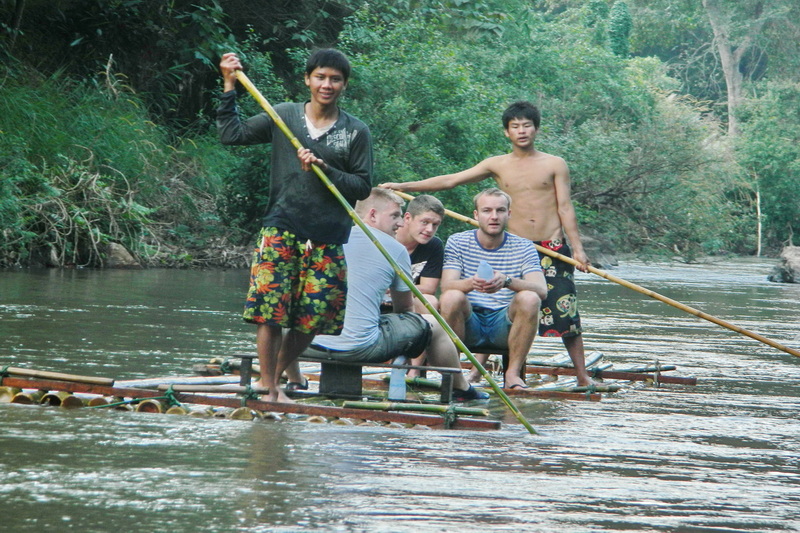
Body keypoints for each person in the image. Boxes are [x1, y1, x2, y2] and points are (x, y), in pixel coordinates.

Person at [380, 101, 594, 385]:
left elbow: (565, 206)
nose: (522, 131)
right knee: (491, 299)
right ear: (507, 132)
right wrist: (403, 186)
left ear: (536, 129)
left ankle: (582, 376)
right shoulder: (497, 164)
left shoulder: (555, 164)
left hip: (550, 246)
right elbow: (452, 180)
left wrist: (578, 249)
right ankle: (472, 369)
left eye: (527, 125)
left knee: (565, 310)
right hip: (511, 243)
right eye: (515, 126)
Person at [217, 49, 373, 402]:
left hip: (327, 236)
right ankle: (269, 386)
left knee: (315, 317)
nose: (326, 85)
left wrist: (325, 169)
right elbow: (231, 135)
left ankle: (274, 377)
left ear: (344, 85)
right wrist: (229, 85)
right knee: (270, 312)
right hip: (281, 227)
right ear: (307, 80)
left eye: (335, 79)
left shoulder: (355, 131)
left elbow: (362, 187)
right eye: (320, 77)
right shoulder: (284, 115)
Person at [304, 188, 489, 402]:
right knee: (434, 324)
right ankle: (461, 388)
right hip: (359, 347)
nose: (400, 223)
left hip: (308, 344)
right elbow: (405, 310)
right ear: (372, 215)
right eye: (394, 216)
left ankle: (294, 379)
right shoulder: (394, 248)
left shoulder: (324, 239)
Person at [439, 188, 547, 389]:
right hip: (469, 321)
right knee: (451, 297)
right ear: (476, 215)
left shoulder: (524, 246)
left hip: (503, 324)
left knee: (530, 298)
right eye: (487, 210)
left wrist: (507, 281)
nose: (494, 216)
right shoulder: (457, 241)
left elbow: (541, 290)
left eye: (500, 210)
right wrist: (472, 283)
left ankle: (512, 374)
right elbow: (446, 285)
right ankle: (454, 374)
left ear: (509, 214)